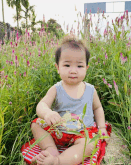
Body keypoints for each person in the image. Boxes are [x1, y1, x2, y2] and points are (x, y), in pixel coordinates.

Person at [30, 35, 112, 165]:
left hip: (81, 133)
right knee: (36, 124)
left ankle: (58, 161)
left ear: (86, 68)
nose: (73, 71)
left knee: (90, 144)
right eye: (67, 65)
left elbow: (97, 108)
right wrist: (47, 113)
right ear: (57, 68)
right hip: (58, 131)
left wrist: (101, 127)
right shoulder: (57, 88)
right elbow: (42, 104)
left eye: (79, 66)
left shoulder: (90, 90)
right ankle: (51, 149)